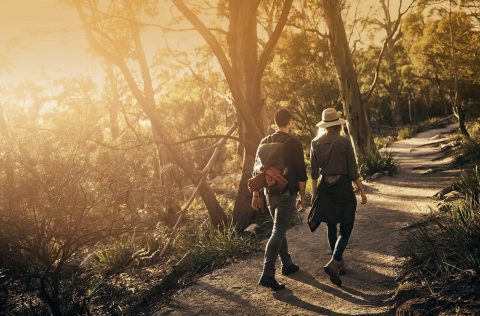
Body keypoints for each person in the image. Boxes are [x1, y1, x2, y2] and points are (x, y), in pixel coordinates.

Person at [309, 107, 367, 287]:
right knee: (347, 224)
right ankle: (335, 260)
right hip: (342, 186)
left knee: (331, 224)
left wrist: (315, 194)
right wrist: (362, 191)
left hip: (325, 187)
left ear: (325, 126)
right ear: (337, 125)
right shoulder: (344, 142)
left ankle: (338, 263)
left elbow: (313, 173)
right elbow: (352, 170)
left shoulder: (315, 143)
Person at [251, 108, 308, 291]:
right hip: (286, 193)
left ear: (275, 122)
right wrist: (302, 196)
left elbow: (257, 171)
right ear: (289, 122)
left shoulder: (264, 141)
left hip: (269, 194)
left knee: (279, 227)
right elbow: (301, 173)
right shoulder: (293, 142)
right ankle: (267, 273)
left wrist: (255, 194)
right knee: (277, 231)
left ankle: (287, 264)